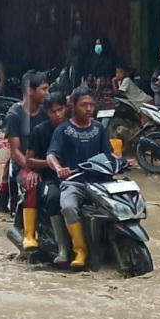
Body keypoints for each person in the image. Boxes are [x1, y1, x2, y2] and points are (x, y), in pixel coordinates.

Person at [46, 86, 115, 270]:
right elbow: (51, 155)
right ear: (73, 106)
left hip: (99, 182)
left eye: (92, 104)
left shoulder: (100, 128)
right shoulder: (63, 130)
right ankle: (80, 250)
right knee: (68, 207)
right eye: (84, 104)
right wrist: (59, 168)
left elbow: (108, 154)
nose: (89, 108)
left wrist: (120, 161)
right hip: (73, 182)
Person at [22, 92, 70, 260]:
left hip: (74, 177)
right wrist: (48, 165)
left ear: (67, 108)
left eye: (61, 109)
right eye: (53, 111)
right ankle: (57, 244)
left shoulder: (76, 128)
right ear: (47, 113)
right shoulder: (40, 131)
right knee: (53, 197)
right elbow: (29, 160)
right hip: (48, 177)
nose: (58, 114)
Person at [5, 71, 50, 217]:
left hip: (47, 163)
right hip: (24, 165)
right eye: (44, 89)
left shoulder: (47, 111)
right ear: (30, 91)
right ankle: (27, 229)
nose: (47, 93)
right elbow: (15, 151)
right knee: (32, 185)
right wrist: (31, 167)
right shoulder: (15, 115)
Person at [89, 36, 116, 101]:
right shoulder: (93, 59)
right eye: (96, 44)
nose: (97, 47)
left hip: (108, 93)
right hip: (96, 94)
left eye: (99, 44)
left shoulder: (111, 58)